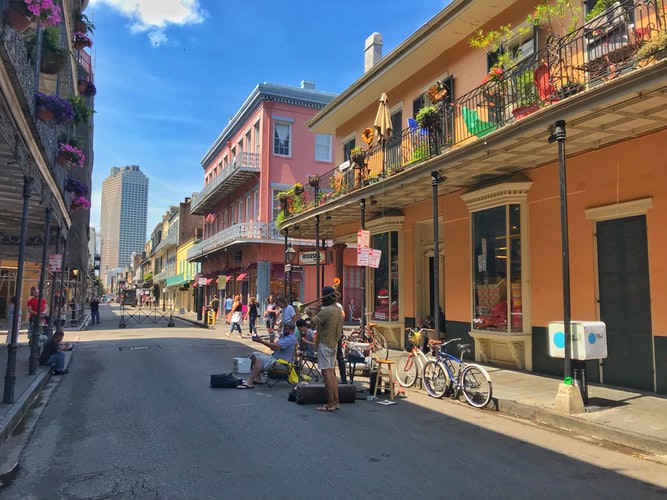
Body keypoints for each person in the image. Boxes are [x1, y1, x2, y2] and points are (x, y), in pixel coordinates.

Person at [309, 286, 343, 411]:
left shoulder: (326, 310)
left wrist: (315, 311)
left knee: (326, 374)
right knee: (332, 373)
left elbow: (313, 322)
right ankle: (336, 401)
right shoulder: (338, 309)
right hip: (333, 343)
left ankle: (330, 403)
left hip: (324, 343)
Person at [237, 322, 297, 389]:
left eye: (286, 329)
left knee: (259, 359)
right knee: (255, 354)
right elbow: (273, 348)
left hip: (282, 363)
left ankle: (249, 383)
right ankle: (258, 379)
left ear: (291, 330)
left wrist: (261, 341)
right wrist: (272, 339)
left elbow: (277, 346)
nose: (283, 330)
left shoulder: (291, 339)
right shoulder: (284, 337)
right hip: (275, 359)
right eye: (284, 329)